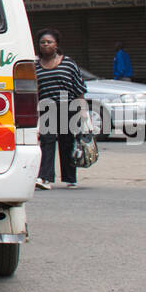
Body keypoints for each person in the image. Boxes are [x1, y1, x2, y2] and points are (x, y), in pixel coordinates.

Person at [33, 28, 87, 190]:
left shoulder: (68, 63)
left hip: (68, 108)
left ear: (56, 45)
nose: (46, 45)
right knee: (47, 142)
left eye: (49, 42)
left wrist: (83, 111)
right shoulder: (35, 65)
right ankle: (45, 178)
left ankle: (71, 178)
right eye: (43, 42)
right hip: (46, 108)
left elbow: (79, 88)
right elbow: (34, 91)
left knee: (67, 143)